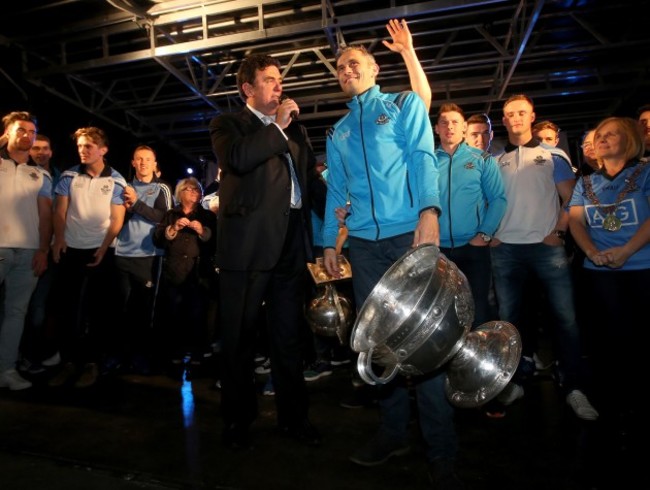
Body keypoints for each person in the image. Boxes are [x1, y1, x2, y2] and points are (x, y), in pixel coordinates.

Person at [322, 45, 463, 488]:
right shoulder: (339, 130)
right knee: (379, 346)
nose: (347, 70)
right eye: (341, 67)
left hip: (409, 236)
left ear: (374, 68)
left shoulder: (401, 105)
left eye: (354, 63)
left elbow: (423, 157)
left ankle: (442, 449)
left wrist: (429, 211)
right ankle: (392, 433)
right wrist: (329, 239)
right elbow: (336, 190)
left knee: (424, 343)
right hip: (363, 247)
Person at [209, 53, 327, 450]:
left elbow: (309, 181)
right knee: (239, 338)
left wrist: (338, 208)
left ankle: (295, 419)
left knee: (288, 337)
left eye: (280, 80)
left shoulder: (295, 131)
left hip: (291, 243)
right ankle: (238, 419)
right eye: (270, 80)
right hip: (247, 247)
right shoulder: (228, 125)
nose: (279, 86)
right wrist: (277, 128)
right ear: (248, 88)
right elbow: (238, 160)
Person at [490, 94, 598, 420]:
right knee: (509, 323)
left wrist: (560, 233)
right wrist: (491, 233)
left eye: (521, 112)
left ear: (532, 116)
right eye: (510, 114)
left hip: (545, 248)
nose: (516, 118)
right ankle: (513, 382)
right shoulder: (495, 161)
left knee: (565, 319)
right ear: (504, 120)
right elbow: (490, 202)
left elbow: (571, 199)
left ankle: (575, 386)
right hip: (506, 250)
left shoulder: (553, 155)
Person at [568, 116, 647, 482]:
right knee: (608, 347)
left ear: (630, 139)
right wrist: (593, 253)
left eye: (612, 134)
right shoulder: (587, 182)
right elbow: (577, 222)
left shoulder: (646, 174)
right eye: (599, 136)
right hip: (599, 273)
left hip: (641, 269)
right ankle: (616, 414)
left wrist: (626, 251)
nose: (603, 140)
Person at [48, 127, 127, 389]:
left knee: (99, 309)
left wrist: (105, 247)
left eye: (88, 146)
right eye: (80, 146)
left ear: (103, 150)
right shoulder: (69, 175)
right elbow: (60, 211)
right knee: (68, 308)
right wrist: (59, 239)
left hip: (101, 250)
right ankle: (70, 361)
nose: (83, 150)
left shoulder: (116, 180)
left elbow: (117, 218)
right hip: (71, 249)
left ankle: (93, 362)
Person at [433, 102, 506, 328]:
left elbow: (498, 199)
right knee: (443, 313)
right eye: (444, 122)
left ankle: (478, 361)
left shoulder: (482, 159)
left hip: (473, 248)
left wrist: (483, 235)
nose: (450, 127)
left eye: (455, 122)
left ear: (464, 127)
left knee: (478, 309)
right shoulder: (427, 161)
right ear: (436, 129)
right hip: (437, 251)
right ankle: (451, 363)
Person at [0, 111, 53, 391]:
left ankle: (6, 369)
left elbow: (46, 216)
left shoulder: (41, 174)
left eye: (31, 132)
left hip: (29, 251)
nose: (27, 135)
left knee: (16, 313)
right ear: (6, 133)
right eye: (21, 130)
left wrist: (43, 249)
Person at [110, 145, 173, 375]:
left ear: (155, 164)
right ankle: (120, 355)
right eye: (139, 159)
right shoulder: (123, 187)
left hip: (149, 256)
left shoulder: (162, 188)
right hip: (121, 254)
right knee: (121, 308)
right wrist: (126, 209)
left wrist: (136, 204)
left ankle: (141, 356)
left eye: (148, 159)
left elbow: (165, 218)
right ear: (133, 162)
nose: (144, 162)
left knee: (144, 310)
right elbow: (114, 217)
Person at [153, 177, 216, 377]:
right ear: (180, 192)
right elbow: (158, 238)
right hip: (175, 272)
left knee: (198, 315)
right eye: (189, 189)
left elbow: (215, 239)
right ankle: (175, 355)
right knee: (174, 314)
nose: (194, 192)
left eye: (196, 189)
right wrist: (173, 229)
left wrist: (202, 231)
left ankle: (198, 356)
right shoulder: (171, 214)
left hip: (198, 274)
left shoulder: (207, 215)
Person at [19, 134, 62, 373]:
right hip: (25, 246)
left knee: (44, 306)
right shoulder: (21, 174)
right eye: (36, 148)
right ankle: (23, 354)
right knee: (24, 306)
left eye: (45, 148)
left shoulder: (61, 177)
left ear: (51, 152)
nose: (41, 153)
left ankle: (39, 352)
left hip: (54, 250)